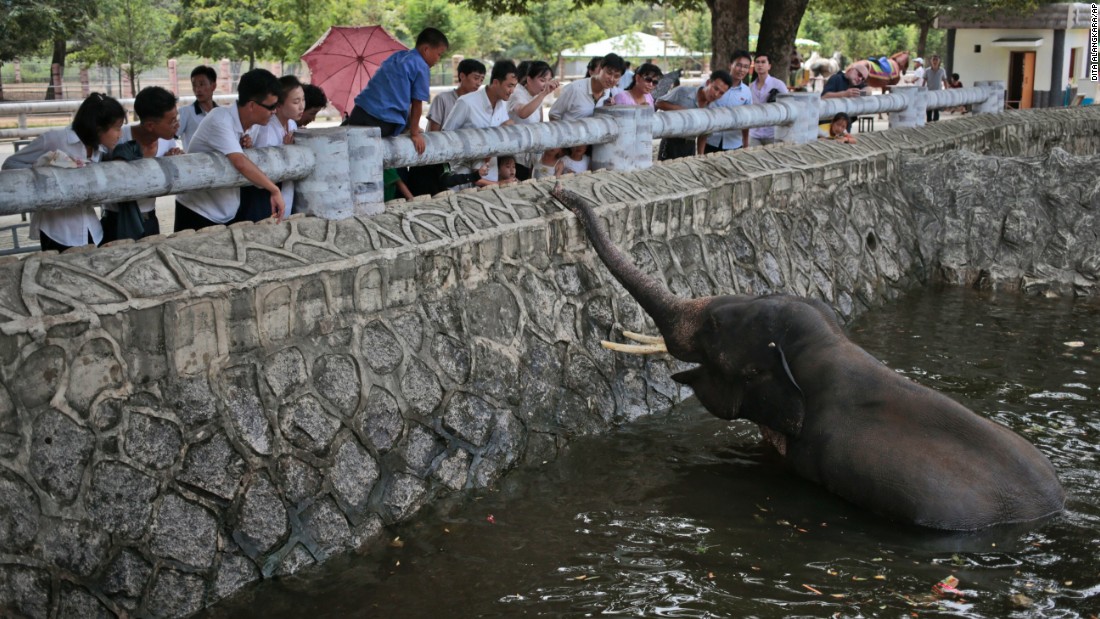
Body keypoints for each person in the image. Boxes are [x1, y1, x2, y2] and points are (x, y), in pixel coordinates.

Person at [2, 93, 126, 252]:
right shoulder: (55, 139)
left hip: (92, 229)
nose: (120, 134)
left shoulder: (99, 149)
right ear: (97, 127)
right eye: (117, 128)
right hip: (57, 232)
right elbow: (10, 164)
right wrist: (44, 173)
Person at [174, 69, 286, 231]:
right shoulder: (219, 119)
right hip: (197, 210)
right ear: (252, 106)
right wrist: (274, 190)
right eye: (271, 106)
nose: (274, 111)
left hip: (227, 209)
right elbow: (240, 162)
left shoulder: (252, 125)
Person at [347, 27, 449, 156]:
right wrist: (415, 133)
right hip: (383, 121)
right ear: (426, 49)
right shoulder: (421, 66)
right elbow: (417, 103)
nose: (438, 59)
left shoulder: (397, 56)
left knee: (348, 149)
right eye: (439, 54)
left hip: (360, 111)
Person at [101, 86, 183, 244]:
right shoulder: (117, 137)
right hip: (116, 221)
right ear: (150, 126)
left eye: (177, 118)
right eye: (172, 121)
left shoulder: (169, 143)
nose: (177, 125)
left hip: (149, 219)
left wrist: (173, 161)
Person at [441, 60, 518, 189]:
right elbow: (446, 136)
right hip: (462, 179)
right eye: (509, 85)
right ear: (495, 82)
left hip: (490, 177)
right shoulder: (466, 102)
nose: (512, 91)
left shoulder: (502, 104)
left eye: (514, 86)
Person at [239, 75, 304, 221]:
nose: (302, 106)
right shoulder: (267, 128)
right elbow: (263, 167)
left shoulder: (292, 124)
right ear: (278, 105)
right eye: (296, 102)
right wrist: (287, 152)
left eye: (303, 100)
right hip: (265, 198)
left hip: (286, 193)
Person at [656, 70, 733, 160]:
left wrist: (700, 157)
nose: (716, 94)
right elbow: (658, 103)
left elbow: (704, 135)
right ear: (708, 83)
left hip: (690, 145)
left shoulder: (712, 110)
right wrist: (682, 111)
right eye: (715, 88)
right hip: (670, 143)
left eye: (721, 93)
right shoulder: (683, 91)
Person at [508, 60, 559, 180]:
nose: (546, 84)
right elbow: (522, 113)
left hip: (531, 155)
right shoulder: (517, 92)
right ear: (529, 79)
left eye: (548, 80)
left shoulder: (537, 95)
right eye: (542, 80)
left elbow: (540, 122)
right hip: (514, 157)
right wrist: (543, 94)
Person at [549, 53, 626, 121]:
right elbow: (554, 115)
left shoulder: (611, 94)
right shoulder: (575, 89)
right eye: (609, 73)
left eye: (616, 76)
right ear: (600, 69)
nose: (611, 79)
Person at [705, 51, 752, 154]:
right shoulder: (714, 85)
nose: (742, 70)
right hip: (711, 142)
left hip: (734, 143)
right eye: (738, 65)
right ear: (730, 65)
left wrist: (746, 144)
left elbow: (747, 121)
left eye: (746, 67)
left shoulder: (747, 92)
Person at [428, 58, 486, 131]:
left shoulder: (479, 103)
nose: (479, 83)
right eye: (476, 78)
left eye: (481, 80)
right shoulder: (442, 99)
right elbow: (433, 133)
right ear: (462, 76)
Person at [748, 51, 789, 146]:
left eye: (763, 62)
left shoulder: (778, 84)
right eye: (757, 62)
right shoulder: (750, 87)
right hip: (754, 133)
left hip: (773, 133)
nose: (760, 65)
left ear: (769, 66)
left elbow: (788, 104)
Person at [178, 65, 218, 151]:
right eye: (194, 85)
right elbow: (169, 136)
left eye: (201, 84)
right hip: (194, 163)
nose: (197, 89)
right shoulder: (185, 113)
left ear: (213, 86)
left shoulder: (222, 113)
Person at [924, 55, 947, 122]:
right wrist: (921, 90)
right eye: (933, 60)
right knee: (929, 108)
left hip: (938, 92)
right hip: (929, 92)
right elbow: (924, 81)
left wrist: (946, 90)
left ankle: (936, 122)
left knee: (936, 108)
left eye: (936, 60)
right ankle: (929, 121)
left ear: (939, 61)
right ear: (931, 61)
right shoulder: (927, 70)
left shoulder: (942, 70)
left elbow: (945, 80)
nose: (935, 61)